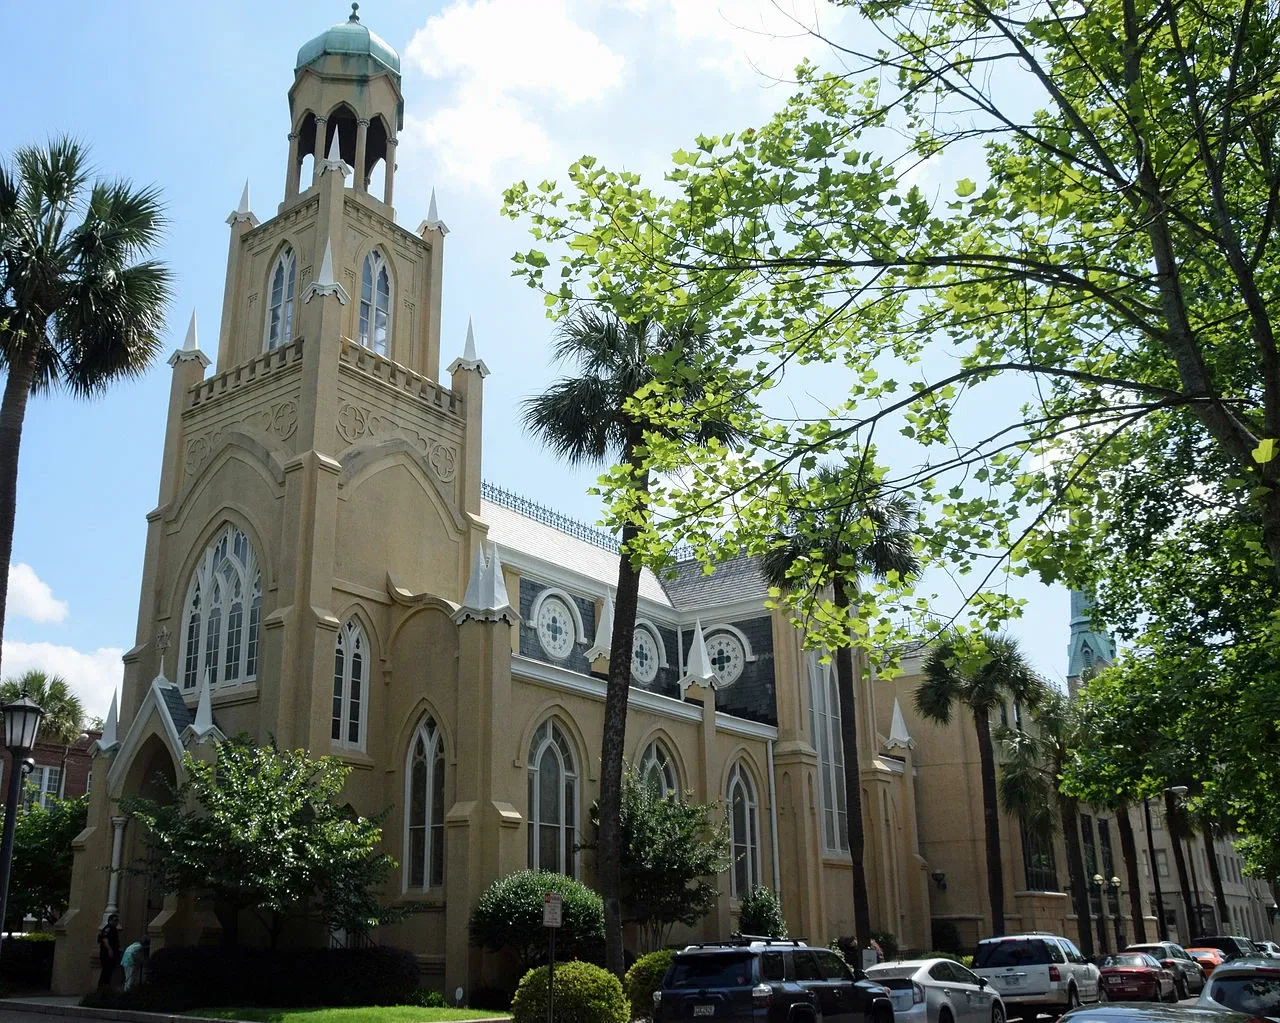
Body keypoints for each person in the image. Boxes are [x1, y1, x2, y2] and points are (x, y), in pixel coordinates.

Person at [96, 913, 121, 989]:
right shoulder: (108, 928)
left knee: (109, 971)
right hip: (106, 954)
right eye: (115, 920)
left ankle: (106, 988)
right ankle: (101, 988)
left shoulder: (114, 929)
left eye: (117, 920)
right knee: (106, 971)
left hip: (112, 953)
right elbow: (105, 939)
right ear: (110, 921)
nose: (116, 922)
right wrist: (109, 949)